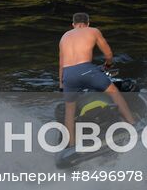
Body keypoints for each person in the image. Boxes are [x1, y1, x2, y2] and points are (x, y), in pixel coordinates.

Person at [59, 13, 138, 147]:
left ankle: (71, 147)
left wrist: (61, 84)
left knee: (69, 112)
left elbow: (61, 63)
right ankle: (133, 125)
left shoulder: (64, 37)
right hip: (87, 69)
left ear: (73, 25)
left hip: (68, 74)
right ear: (88, 23)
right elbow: (108, 54)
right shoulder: (93, 31)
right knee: (114, 92)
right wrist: (108, 65)